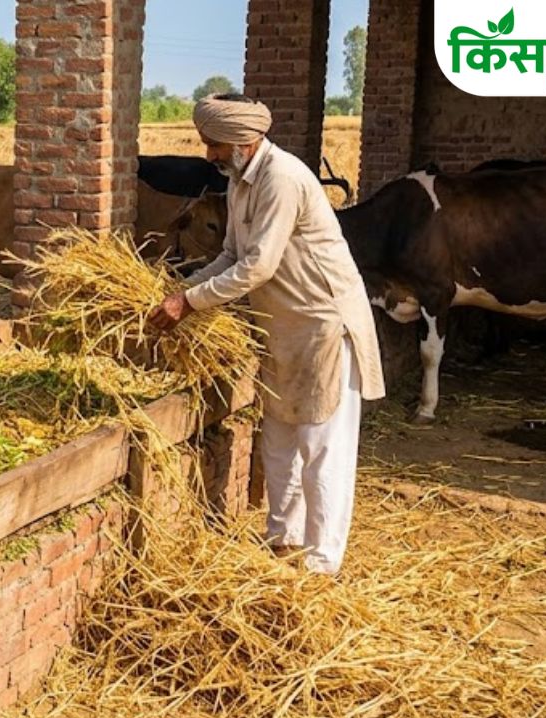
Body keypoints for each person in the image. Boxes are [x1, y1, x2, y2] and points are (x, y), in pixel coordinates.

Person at [146, 93, 385, 575]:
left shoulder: (283, 178)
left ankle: (321, 565)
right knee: (278, 438)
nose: (209, 154)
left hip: (323, 325)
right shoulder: (238, 184)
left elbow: (258, 267)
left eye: (213, 144)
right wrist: (176, 288)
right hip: (280, 328)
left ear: (243, 139)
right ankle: (283, 541)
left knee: (322, 447)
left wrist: (188, 304)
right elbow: (231, 255)